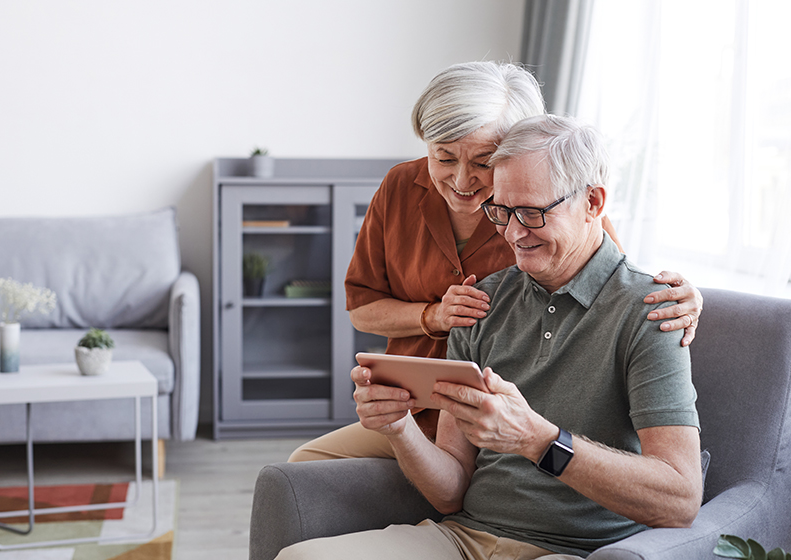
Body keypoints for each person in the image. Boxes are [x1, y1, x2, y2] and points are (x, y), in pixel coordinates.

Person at [277, 114, 702, 560]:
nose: (513, 233)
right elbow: (450, 493)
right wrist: (399, 427)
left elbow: (680, 501)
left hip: (573, 549)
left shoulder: (656, 312)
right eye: (501, 211)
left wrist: (538, 439)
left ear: (592, 202)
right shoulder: (481, 302)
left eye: (533, 213)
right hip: (463, 538)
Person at [288, 61, 702, 463]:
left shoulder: (555, 210)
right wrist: (433, 316)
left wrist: (688, 298)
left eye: (483, 162)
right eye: (444, 157)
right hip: (414, 410)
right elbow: (362, 309)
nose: (461, 180)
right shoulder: (400, 186)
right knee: (305, 463)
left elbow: (610, 286)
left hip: (516, 415)